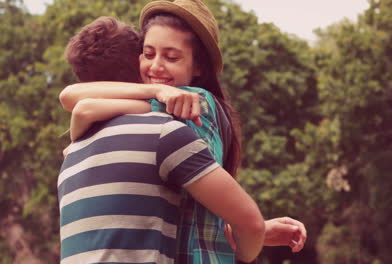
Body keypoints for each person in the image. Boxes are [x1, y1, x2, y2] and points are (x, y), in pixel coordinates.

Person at [60, 1, 307, 262]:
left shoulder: (190, 103)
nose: (156, 66)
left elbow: (80, 104)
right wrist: (252, 232)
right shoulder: (161, 107)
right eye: (148, 53)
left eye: (171, 57)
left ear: (199, 67)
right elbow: (191, 212)